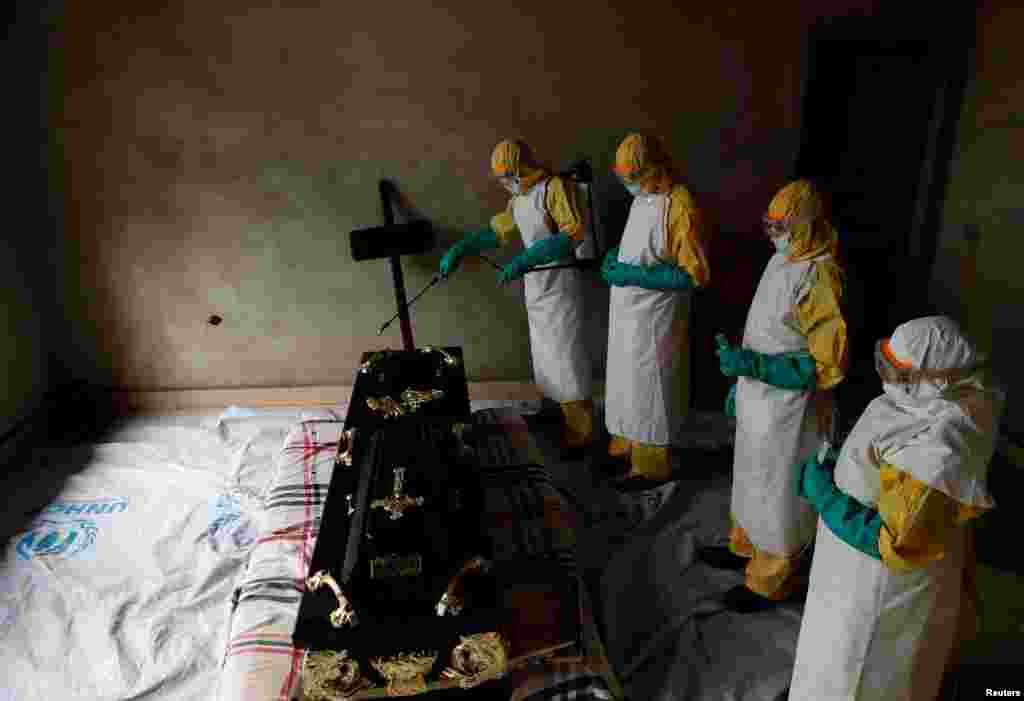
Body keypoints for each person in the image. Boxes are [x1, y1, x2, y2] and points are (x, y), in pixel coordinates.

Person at [788, 315, 1003, 701]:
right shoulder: (917, 400)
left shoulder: (944, 446)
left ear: (940, 379)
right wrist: (839, 463)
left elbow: (899, 542)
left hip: (880, 586)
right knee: (829, 655)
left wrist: (825, 496)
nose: (889, 380)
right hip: (846, 570)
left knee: (860, 670)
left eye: (901, 373)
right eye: (886, 364)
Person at [702, 179, 849, 611]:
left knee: (779, 493)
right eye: (769, 225)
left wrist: (755, 368)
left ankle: (772, 579)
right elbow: (770, 332)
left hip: (791, 408)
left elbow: (827, 365)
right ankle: (745, 547)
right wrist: (742, 382)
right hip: (761, 398)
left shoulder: (820, 276)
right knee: (750, 479)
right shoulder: (782, 260)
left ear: (806, 225)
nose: (773, 233)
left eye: (781, 226)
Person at [439, 139, 594, 454]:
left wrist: (525, 259)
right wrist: (462, 248)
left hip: (560, 282)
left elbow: (572, 232)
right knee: (546, 358)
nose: (504, 182)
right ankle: (554, 415)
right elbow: (497, 232)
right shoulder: (520, 199)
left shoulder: (555, 188)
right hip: (537, 287)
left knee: (566, 361)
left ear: (519, 168)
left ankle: (582, 433)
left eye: (506, 175)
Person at [600, 133, 711, 490]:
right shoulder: (644, 198)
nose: (628, 184)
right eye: (624, 177)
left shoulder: (679, 203)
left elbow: (694, 274)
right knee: (625, 385)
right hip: (627, 316)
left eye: (633, 177)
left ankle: (652, 466)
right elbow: (643, 245)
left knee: (650, 392)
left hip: (656, 319)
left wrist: (635, 274)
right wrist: (616, 257)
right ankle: (627, 445)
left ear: (653, 169)